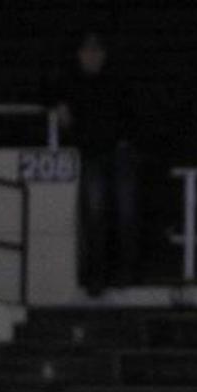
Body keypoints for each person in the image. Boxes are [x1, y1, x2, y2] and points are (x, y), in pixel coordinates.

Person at [48, 30, 141, 297]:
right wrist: (58, 106)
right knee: (95, 216)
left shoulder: (117, 80)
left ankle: (126, 272)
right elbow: (47, 92)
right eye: (87, 51)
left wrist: (128, 142)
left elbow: (133, 113)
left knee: (125, 214)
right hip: (90, 155)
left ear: (104, 54)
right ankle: (96, 276)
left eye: (96, 51)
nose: (92, 56)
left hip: (119, 153)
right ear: (79, 55)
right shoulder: (70, 81)